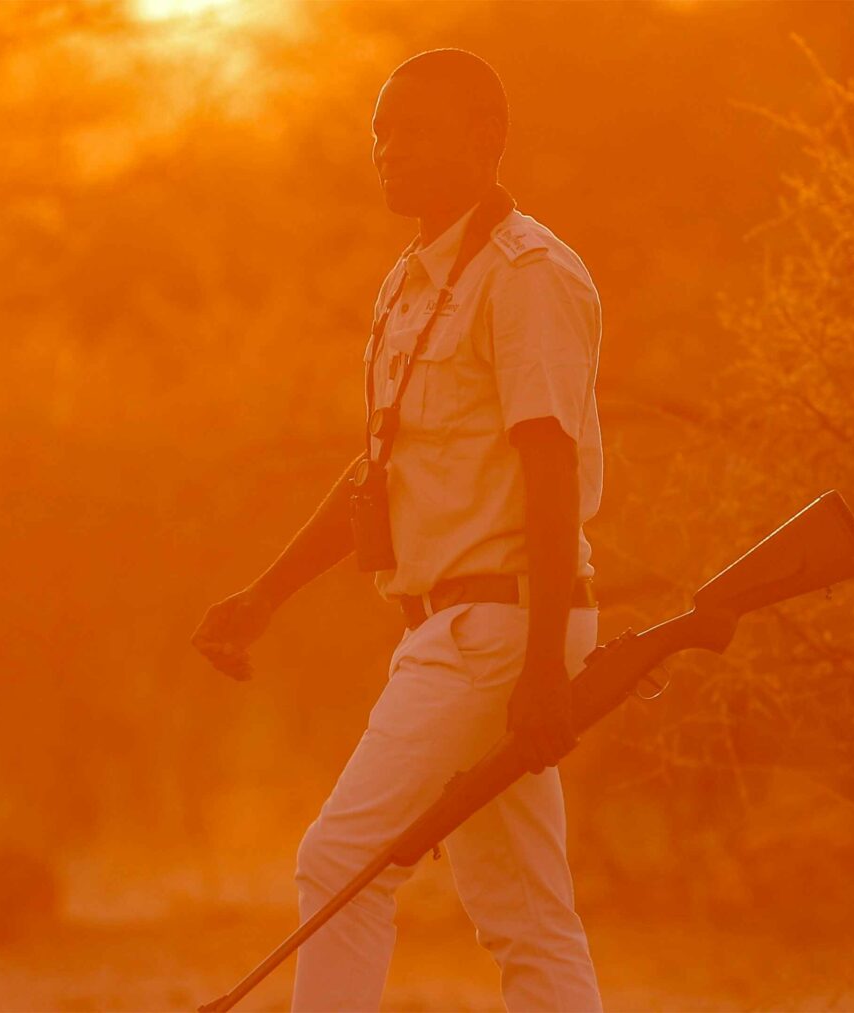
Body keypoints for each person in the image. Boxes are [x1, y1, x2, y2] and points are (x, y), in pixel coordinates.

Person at [192, 47, 605, 1012]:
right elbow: (378, 473)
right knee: (527, 914)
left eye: (415, 129)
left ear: (487, 139)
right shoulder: (411, 283)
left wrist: (544, 662)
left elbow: (552, 467)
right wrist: (265, 595)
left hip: (498, 624)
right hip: (458, 627)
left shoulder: (529, 272)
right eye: (381, 130)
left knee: (342, 862)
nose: (390, 149)